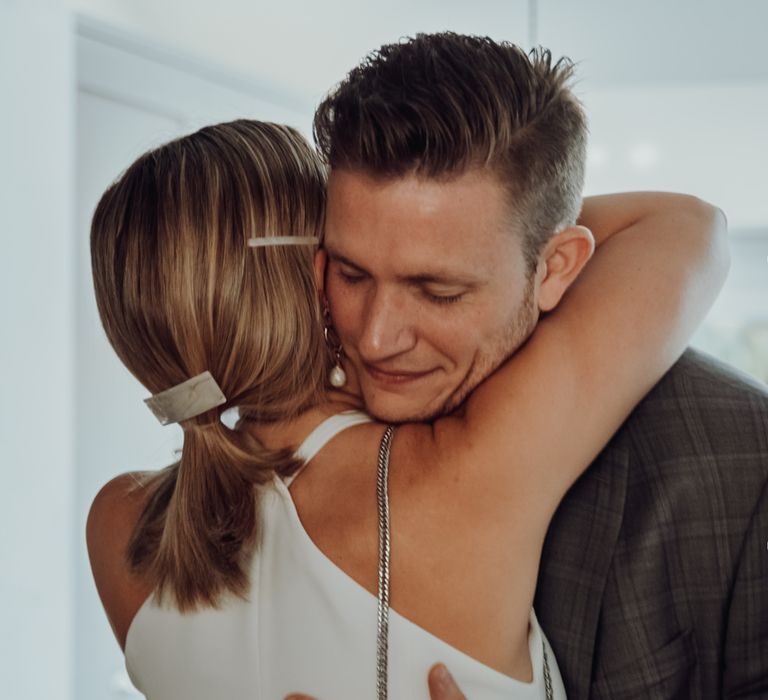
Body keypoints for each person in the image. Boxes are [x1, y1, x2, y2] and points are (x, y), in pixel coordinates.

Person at [85, 81, 725, 700]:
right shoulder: (455, 474)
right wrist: (506, 231)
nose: (386, 328)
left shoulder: (115, 527)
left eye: (433, 285)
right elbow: (687, 225)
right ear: (313, 274)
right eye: (352, 264)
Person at [303, 32, 768, 698]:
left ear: (557, 269)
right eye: (351, 274)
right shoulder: (275, 438)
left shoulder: (736, 460)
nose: (375, 339)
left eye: (438, 290)